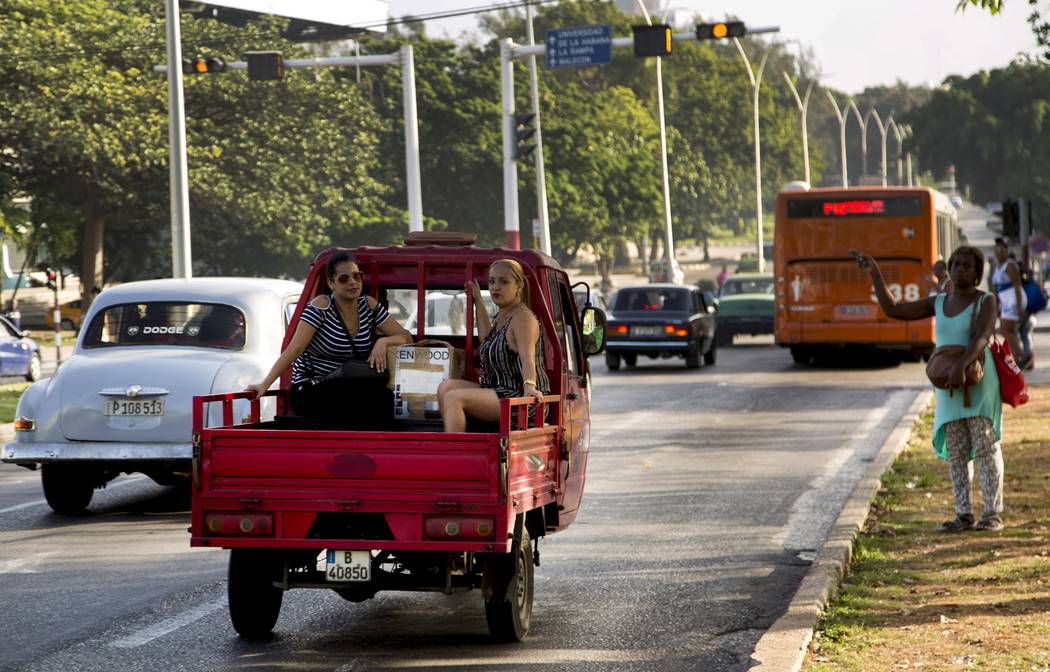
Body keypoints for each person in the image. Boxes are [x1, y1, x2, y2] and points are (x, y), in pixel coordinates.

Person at [853, 246, 1005, 532]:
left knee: (985, 448)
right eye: (956, 264)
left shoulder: (986, 301)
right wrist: (875, 272)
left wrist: (960, 365)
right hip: (948, 385)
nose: (960, 269)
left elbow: (983, 336)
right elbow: (893, 310)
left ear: (977, 274)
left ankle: (992, 514)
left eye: (966, 266)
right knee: (957, 452)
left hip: (978, 383)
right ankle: (963, 514)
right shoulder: (939, 302)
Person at [245, 251, 412, 423]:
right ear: (331, 283)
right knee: (355, 402)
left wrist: (384, 341)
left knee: (384, 399)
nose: (353, 282)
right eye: (344, 278)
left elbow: (406, 337)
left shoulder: (368, 305)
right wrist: (264, 384)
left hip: (352, 386)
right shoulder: (321, 306)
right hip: (313, 387)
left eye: (357, 276)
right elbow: (295, 349)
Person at [437, 259, 550, 432]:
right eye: (491, 281)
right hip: (498, 390)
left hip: (520, 397)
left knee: (454, 397)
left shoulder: (523, 318)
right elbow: (486, 339)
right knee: (446, 387)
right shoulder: (502, 315)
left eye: (503, 282)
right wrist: (478, 300)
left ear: (519, 285)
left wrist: (529, 387)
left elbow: (528, 358)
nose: (495, 287)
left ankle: (454, 454)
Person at [991, 238, 1028, 368]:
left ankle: (1021, 356)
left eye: (1002, 250)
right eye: (997, 250)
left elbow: (1017, 286)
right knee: (1004, 329)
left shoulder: (1010, 265)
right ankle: (1018, 355)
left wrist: (1018, 305)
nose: (999, 253)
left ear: (1007, 251)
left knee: (1008, 329)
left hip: (1013, 298)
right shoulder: (997, 266)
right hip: (1004, 301)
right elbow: (995, 288)